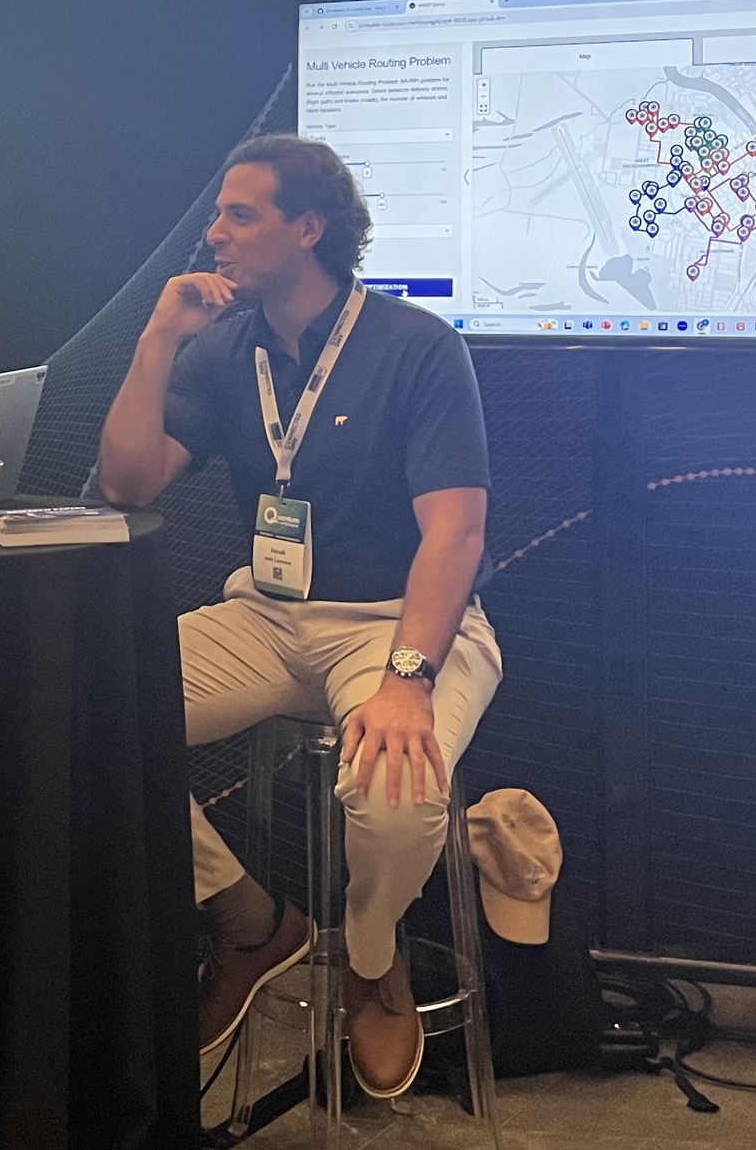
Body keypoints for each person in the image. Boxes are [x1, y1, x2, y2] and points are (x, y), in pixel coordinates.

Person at [98, 133, 501, 1100]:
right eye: (220, 214)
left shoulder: (416, 346)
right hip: (269, 617)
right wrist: (157, 340)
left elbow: (455, 532)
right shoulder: (223, 348)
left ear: (309, 228)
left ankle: (371, 958)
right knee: (80, 705)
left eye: (241, 215)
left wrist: (407, 679)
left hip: (401, 623)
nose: (216, 232)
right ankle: (250, 921)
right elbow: (127, 483)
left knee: (398, 788)